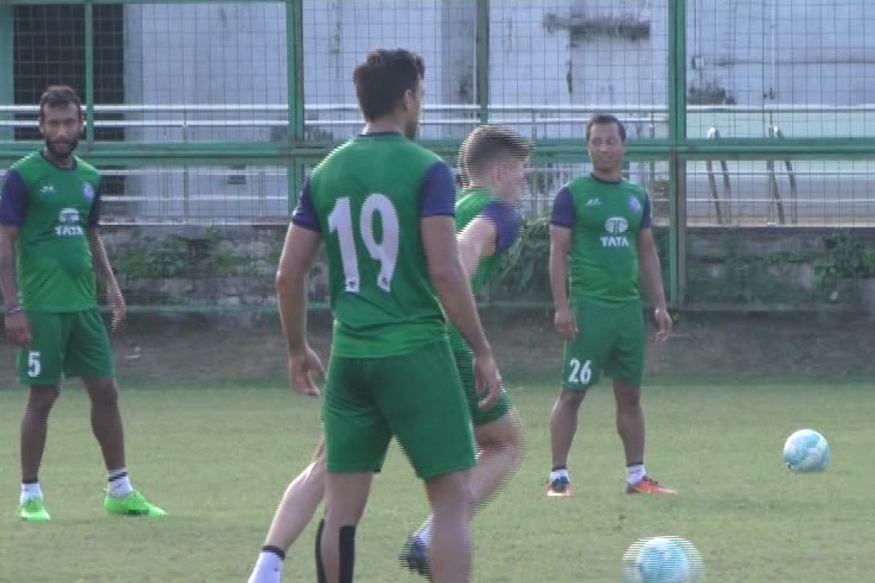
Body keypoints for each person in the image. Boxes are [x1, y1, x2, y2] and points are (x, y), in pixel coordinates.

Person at [246, 124, 530, 583]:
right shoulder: (500, 212)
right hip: (432, 342)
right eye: (522, 172)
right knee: (498, 450)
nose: (524, 182)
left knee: (332, 472)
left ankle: (268, 565)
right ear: (500, 171)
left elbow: (290, 272)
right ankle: (429, 536)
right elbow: (460, 252)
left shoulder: (438, 202)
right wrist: (473, 337)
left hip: (358, 343)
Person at [0, 85, 166, 521]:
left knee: (106, 392)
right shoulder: (22, 176)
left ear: (81, 125)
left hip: (83, 306)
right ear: (40, 126)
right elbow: (5, 242)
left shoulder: (90, 177)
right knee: (44, 395)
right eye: (52, 123)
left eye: (68, 122)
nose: (60, 130)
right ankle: (30, 495)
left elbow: (92, 235)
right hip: (41, 307)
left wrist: (111, 286)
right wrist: (12, 307)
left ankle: (120, 489)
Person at [545, 113, 675, 498]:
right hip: (589, 312)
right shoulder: (573, 194)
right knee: (572, 393)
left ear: (623, 146)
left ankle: (637, 477)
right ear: (589, 146)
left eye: (610, 141)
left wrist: (660, 305)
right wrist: (562, 306)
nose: (603, 148)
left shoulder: (637, 197)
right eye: (596, 141)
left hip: (627, 314)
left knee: (630, 396)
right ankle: (558, 477)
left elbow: (647, 252)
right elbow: (557, 253)